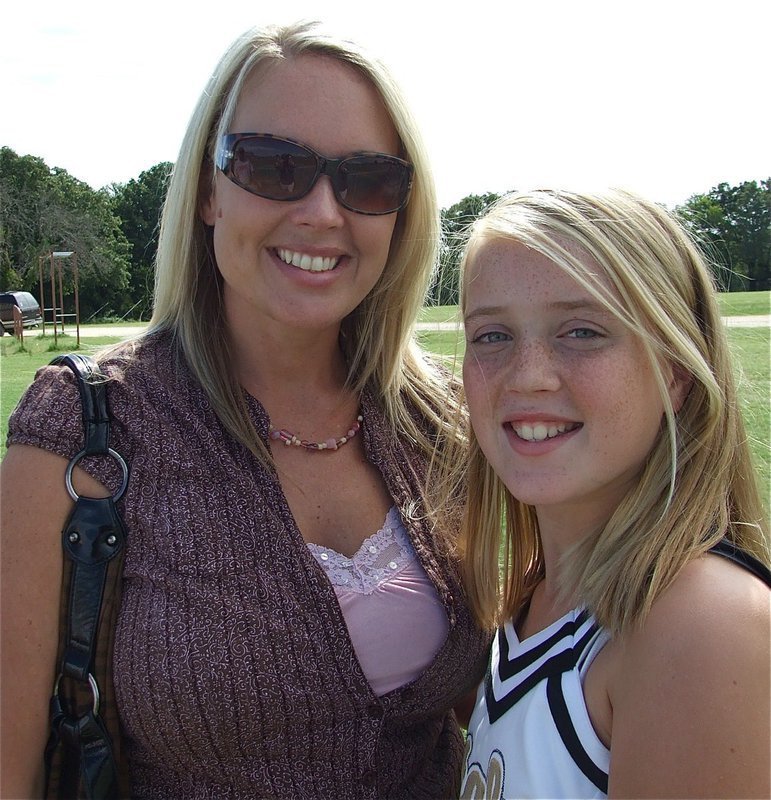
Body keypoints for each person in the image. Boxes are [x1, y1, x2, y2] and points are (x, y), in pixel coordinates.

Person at [0, 21, 490, 799]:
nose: (324, 213)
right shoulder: (85, 429)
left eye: (366, 180)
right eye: (274, 166)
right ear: (206, 190)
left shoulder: (451, 420)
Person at [442, 188, 770, 799]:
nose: (529, 373)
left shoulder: (700, 625)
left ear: (675, 370)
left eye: (582, 331)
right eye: (491, 336)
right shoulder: (536, 601)